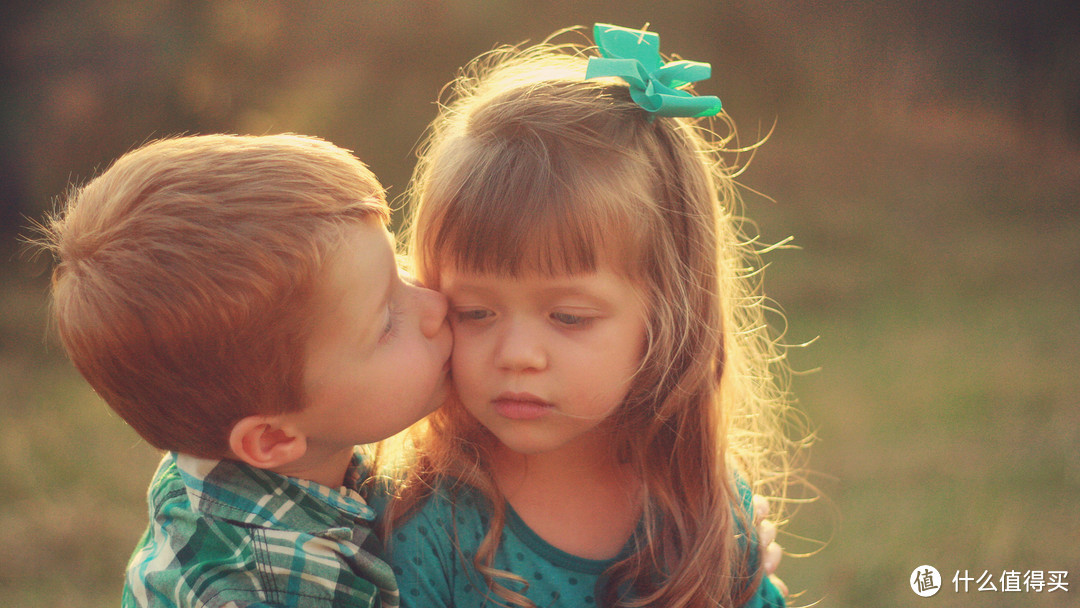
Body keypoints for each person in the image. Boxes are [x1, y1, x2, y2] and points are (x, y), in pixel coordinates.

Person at [379, 24, 802, 607]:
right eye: (475, 311)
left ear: (669, 319)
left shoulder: (703, 509)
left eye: (569, 317)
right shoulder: (427, 521)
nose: (517, 355)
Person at [40, 133, 453, 607]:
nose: (434, 304)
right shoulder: (263, 590)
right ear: (273, 440)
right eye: (385, 323)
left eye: (398, 266)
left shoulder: (239, 454)